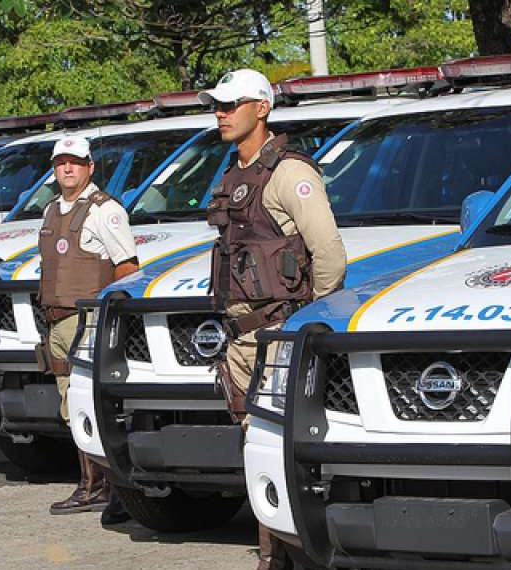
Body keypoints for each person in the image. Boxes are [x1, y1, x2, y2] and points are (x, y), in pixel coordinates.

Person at [201, 69, 347, 570]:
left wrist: (309, 319)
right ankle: (273, 555)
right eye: (216, 106)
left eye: (230, 104)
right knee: (254, 446)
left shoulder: (289, 172)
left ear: (261, 108)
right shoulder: (233, 173)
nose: (220, 113)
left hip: (280, 332)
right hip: (242, 337)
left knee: (281, 449)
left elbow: (328, 254)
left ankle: (293, 555)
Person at [37, 135, 139, 515]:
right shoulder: (51, 210)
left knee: (93, 405)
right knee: (70, 407)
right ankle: (91, 484)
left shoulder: (104, 210)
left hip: (88, 323)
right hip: (56, 320)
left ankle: (110, 489)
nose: (67, 168)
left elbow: (127, 267)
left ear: (90, 167)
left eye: (75, 162)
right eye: (61, 162)